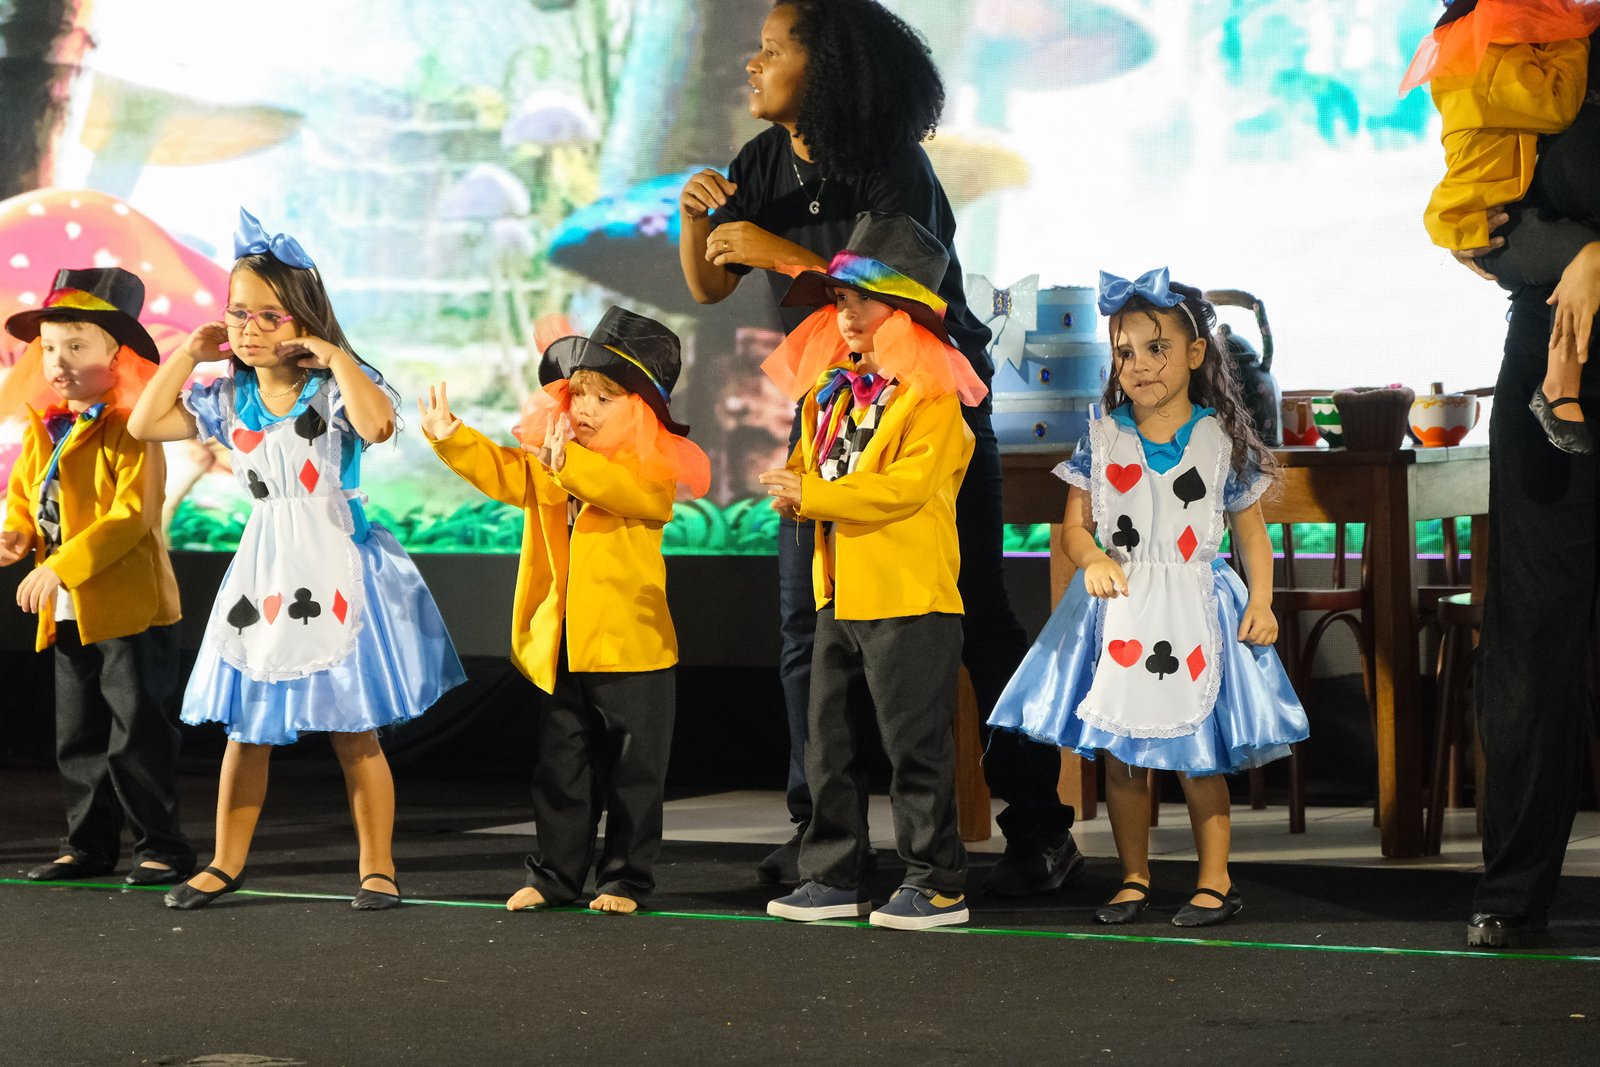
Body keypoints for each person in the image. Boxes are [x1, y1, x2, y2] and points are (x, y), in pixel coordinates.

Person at [677, 0, 1076, 894]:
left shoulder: (895, 164)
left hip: (928, 401)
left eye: (772, 49)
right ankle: (825, 836)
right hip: (830, 413)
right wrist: (694, 218)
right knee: (807, 626)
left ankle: (1039, 826)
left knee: (975, 615)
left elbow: (902, 287)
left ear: (825, 68)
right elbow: (707, 286)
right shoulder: (760, 161)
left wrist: (782, 252)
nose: (753, 63)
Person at [127, 208, 466, 911]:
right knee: (248, 730)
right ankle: (224, 862)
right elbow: (144, 423)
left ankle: (377, 867)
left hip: (336, 562)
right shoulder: (228, 397)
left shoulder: (336, 390)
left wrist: (338, 358)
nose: (247, 328)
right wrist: (188, 353)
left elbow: (378, 425)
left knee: (353, 728)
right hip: (266, 571)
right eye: (237, 313)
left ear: (302, 320)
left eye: (266, 315)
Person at [987, 270, 1308, 928]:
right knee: (1124, 759)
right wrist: (1094, 557)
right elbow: (1075, 527)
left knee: (1198, 756)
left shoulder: (1220, 442)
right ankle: (1133, 877)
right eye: (1125, 351)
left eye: (1156, 347)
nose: (1138, 364)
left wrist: (1262, 601)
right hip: (1124, 609)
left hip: (1197, 608)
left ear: (1194, 353)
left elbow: (1252, 534)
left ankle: (1215, 880)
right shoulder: (1102, 438)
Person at [421, 307, 710, 916]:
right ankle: (555, 875)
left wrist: (567, 465)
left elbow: (635, 498)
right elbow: (508, 475)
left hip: (630, 645)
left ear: (638, 407)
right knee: (561, 768)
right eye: (579, 393)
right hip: (561, 641)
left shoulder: (650, 466)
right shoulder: (555, 454)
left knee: (633, 773)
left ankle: (625, 880)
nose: (585, 408)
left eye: (604, 398)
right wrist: (452, 435)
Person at [759, 212, 987, 931]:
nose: (847, 314)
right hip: (839, 592)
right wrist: (796, 487)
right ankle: (833, 874)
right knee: (830, 742)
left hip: (909, 596)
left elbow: (905, 489)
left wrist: (814, 494)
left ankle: (937, 881)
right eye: (840, 299)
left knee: (915, 747)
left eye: (864, 299)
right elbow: (818, 466)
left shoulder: (933, 401)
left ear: (906, 312)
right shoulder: (830, 392)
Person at [1452, 19, 1600, 947]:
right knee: (1533, 629)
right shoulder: (1522, 40)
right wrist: (1576, 255)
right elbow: (1482, 230)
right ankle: (1511, 891)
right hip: (1549, 358)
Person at [1, 267, 194, 887]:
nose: (58, 362)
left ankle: (161, 846)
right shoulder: (46, 426)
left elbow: (131, 516)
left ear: (117, 357)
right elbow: (26, 498)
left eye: (76, 346)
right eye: (49, 347)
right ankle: (87, 845)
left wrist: (62, 565)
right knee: (78, 734)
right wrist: (17, 534)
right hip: (68, 609)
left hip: (128, 607)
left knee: (137, 733)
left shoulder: (134, 430)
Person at [1403, 0, 1600, 453]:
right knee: (1587, 250)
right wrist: (1570, 35)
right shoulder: (1484, 50)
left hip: (1500, 221)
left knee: (1586, 253)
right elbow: (1555, 106)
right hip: (1497, 227)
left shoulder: (1484, 43)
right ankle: (1558, 388)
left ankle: (1559, 388)